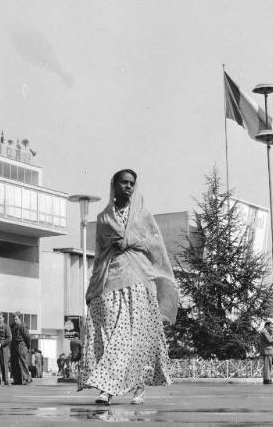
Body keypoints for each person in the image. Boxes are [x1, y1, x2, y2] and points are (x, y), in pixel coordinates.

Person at [78, 169, 178, 405]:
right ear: (114, 184)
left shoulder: (143, 215)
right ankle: (106, 386)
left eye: (132, 183)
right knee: (112, 334)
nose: (129, 186)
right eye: (124, 182)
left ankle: (137, 387)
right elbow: (101, 254)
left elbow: (154, 244)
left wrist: (130, 241)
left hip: (139, 280)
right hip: (111, 279)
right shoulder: (104, 218)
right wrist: (92, 289)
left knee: (137, 339)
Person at [10, 312, 31, 385]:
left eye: (16, 319)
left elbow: (27, 337)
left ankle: (26, 379)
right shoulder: (12, 326)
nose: (15, 321)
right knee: (15, 363)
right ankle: (17, 380)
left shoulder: (23, 326)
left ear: (20, 318)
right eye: (14, 319)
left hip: (21, 345)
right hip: (14, 345)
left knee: (22, 362)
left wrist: (27, 346)